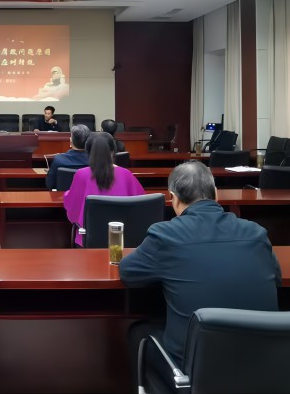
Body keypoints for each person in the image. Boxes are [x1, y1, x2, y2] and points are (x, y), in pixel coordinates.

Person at [119, 161, 281, 390]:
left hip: (195, 372)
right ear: (215, 193)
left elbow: (128, 272)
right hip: (262, 366)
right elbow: (276, 277)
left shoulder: (165, 235)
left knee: (139, 333)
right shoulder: (256, 232)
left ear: (173, 198)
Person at [64, 133, 145, 246]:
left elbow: (72, 210)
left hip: (88, 241)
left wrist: (67, 194)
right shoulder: (127, 175)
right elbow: (142, 206)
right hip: (121, 240)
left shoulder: (81, 174)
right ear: (113, 151)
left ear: (88, 152)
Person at [46, 124, 91, 190]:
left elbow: (49, 184)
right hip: (88, 195)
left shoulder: (59, 160)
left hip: (63, 195)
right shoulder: (96, 161)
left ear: (71, 141)